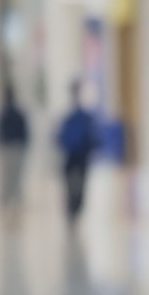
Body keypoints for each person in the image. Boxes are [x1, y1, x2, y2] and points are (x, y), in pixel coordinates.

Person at [56, 80, 100, 224]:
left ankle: (74, 207)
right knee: (75, 184)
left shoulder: (77, 116)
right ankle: (73, 207)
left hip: (78, 156)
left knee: (76, 184)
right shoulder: (72, 116)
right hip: (76, 156)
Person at [0, 83, 30, 209]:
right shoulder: (13, 114)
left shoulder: (6, 114)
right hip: (15, 148)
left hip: (9, 148)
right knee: (14, 176)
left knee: (8, 175)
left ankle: (10, 199)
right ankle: (13, 199)